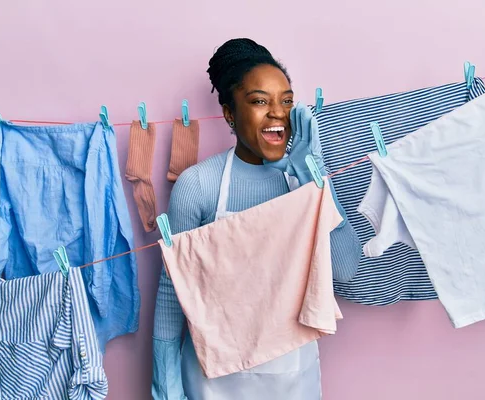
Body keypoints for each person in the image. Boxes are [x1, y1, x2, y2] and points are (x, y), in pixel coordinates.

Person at [151, 38, 361, 400]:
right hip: (211, 381)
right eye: (260, 101)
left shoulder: (303, 182)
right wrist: (166, 389)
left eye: (287, 101)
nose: (277, 112)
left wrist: (316, 179)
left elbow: (346, 270)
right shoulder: (199, 185)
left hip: (292, 379)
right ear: (230, 114)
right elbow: (173, 292)